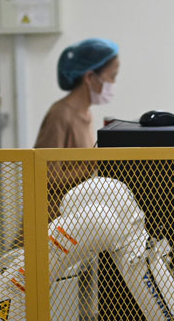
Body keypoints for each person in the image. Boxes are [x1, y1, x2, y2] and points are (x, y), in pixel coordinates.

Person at [35, 37, 120, 217]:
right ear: (89, 77)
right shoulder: (60, 115)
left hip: (73, 218)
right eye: (112, 76)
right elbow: (43, 176)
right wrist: (95, 162)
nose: (113, 83)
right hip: (50, 222)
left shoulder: (86, 115)